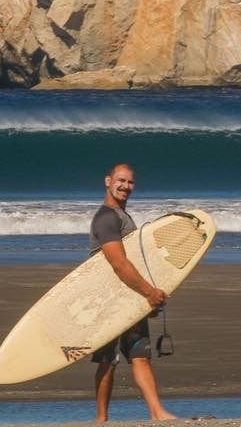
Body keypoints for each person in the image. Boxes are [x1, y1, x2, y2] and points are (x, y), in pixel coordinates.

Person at [89, 163, 176, 423]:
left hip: (131, 297)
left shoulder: (122, 216)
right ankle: (101, 419)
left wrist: (148, 296)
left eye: (130, 182)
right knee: (107, 360)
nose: (126, 186)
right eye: (121, 180)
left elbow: (134, 261)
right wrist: (149, 293)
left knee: (140, 356)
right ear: (108, 181)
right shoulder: (106, 218)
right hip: (109, 300)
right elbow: (118, 263)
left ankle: (157, 413)